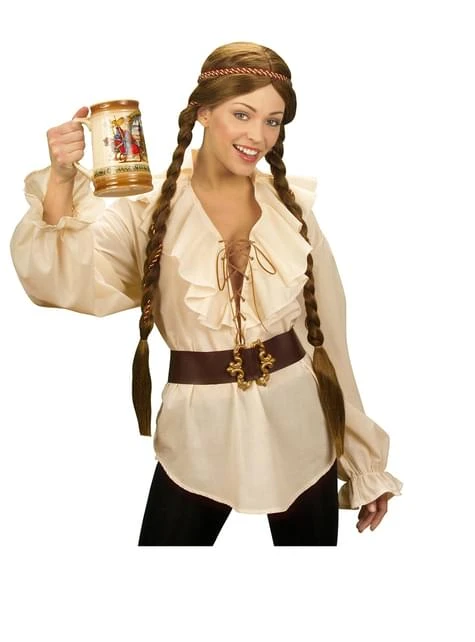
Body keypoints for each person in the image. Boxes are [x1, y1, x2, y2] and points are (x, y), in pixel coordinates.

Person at [10, 41, 402, 546]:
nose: (258, 135)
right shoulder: (149, 208)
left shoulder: (291, 208)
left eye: (272, 121)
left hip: (301, 426)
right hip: (198, 435)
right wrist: (62, 180)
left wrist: (364, 463)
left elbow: (329, 345)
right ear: (203, 112)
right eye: (242, 114)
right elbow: (65, 282)